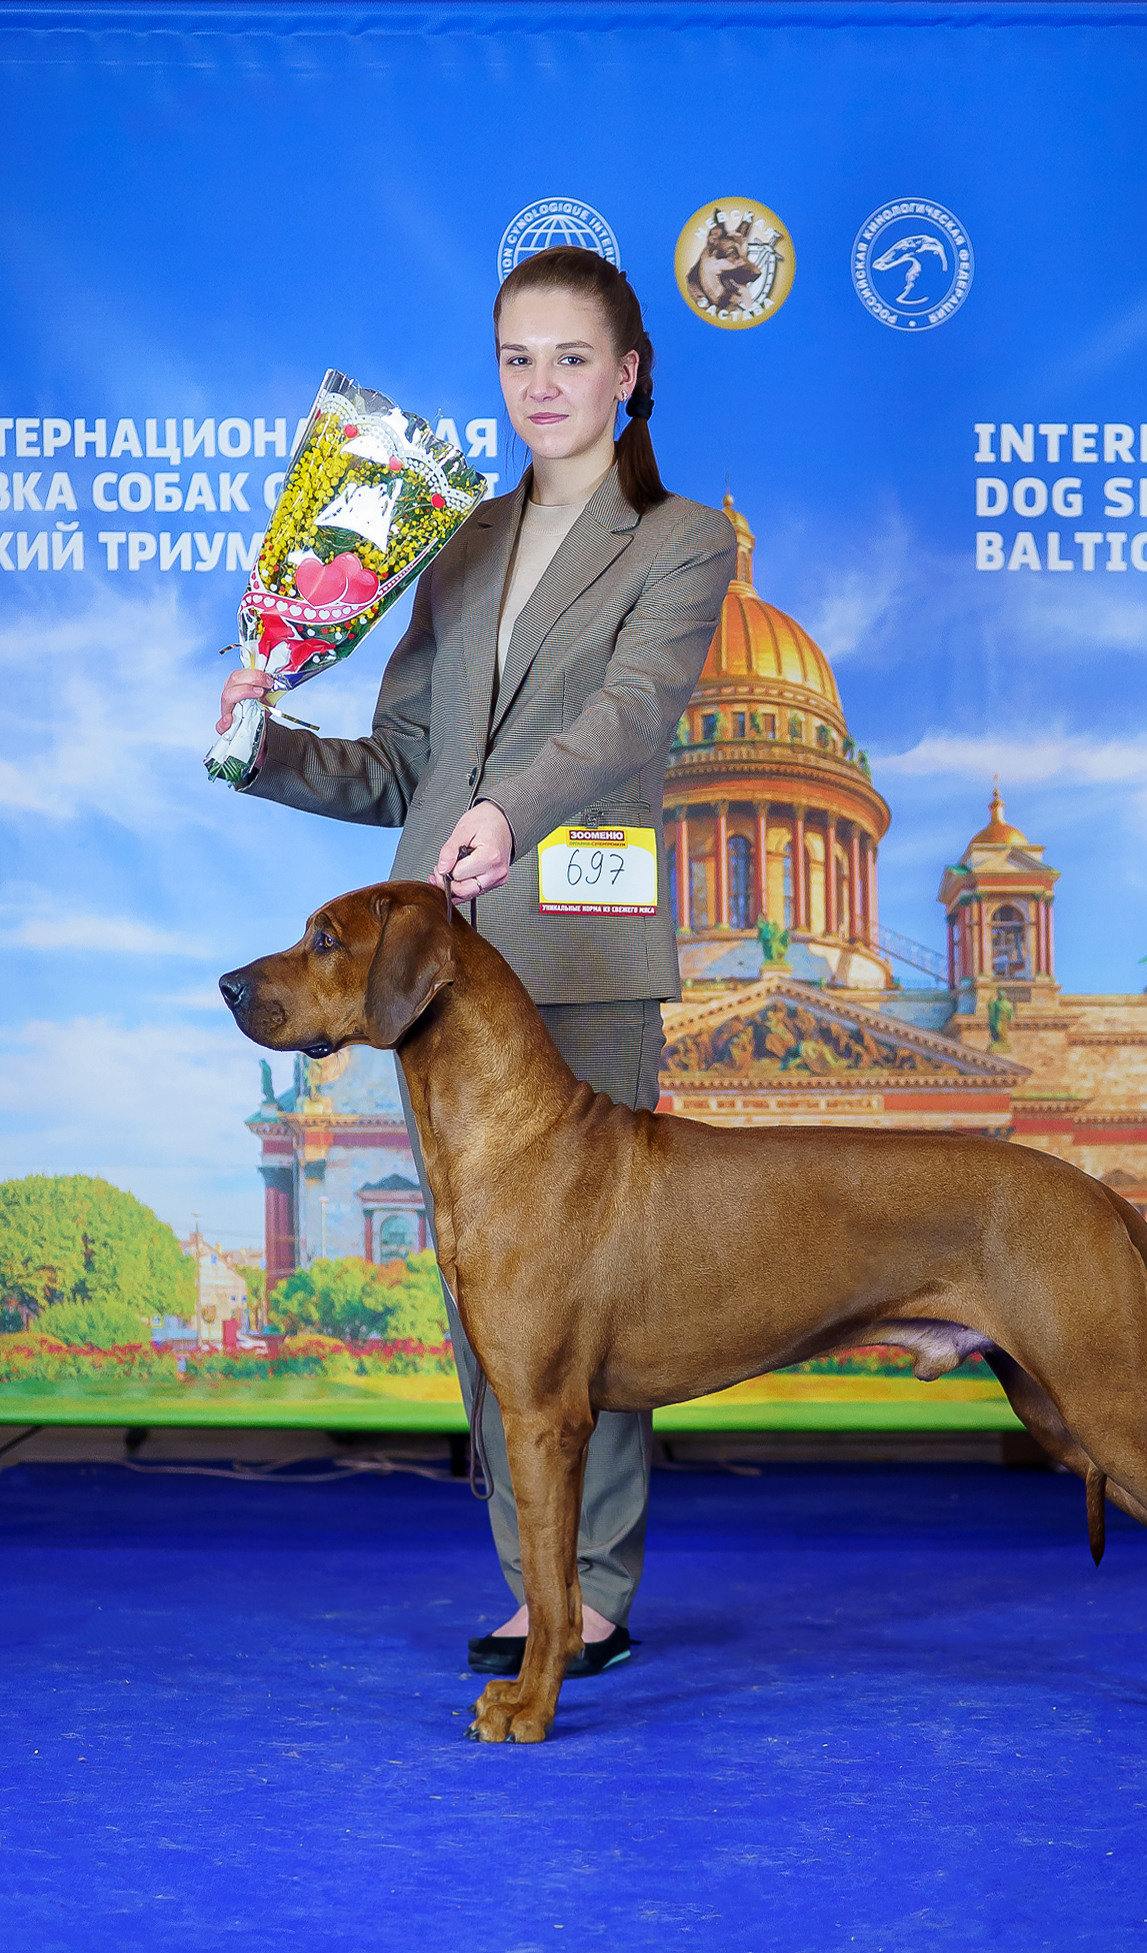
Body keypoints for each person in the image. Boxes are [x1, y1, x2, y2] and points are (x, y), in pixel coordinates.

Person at [217, 247, 736, 1679]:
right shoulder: (450, 543)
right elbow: (400, 765)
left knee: (593, 1286)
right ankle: (530, 1582)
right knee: (488, 1285)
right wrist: (258, 733)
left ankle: (594, 1589)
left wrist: (514, 810)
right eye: (517, 359)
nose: (541, 386)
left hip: (579, 938)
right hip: (430, 973)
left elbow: (630, 716)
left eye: (572, 357)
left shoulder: (684, 540)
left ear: (629, 374)